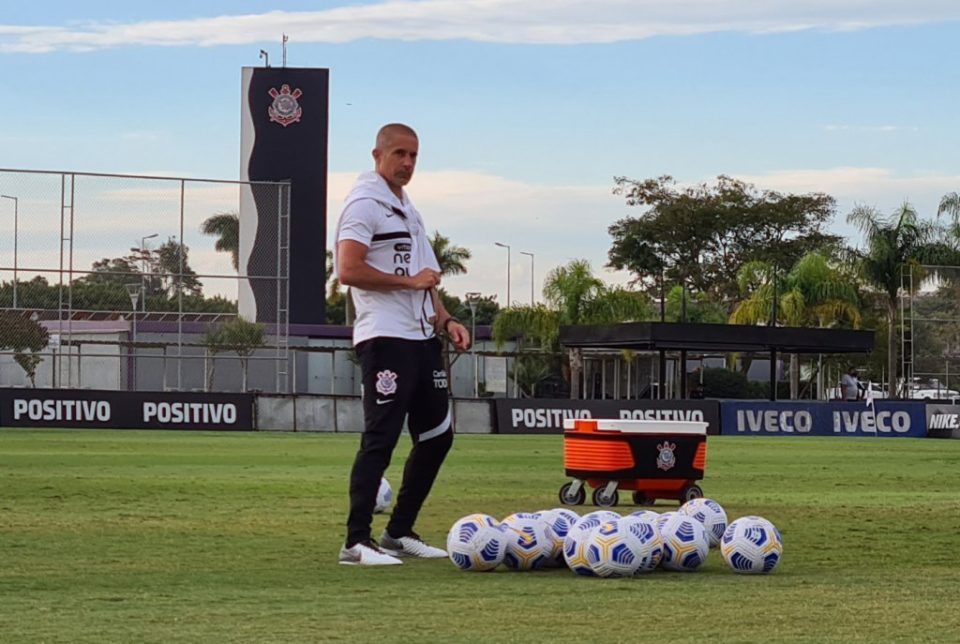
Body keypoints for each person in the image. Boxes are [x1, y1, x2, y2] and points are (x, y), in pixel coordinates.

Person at [335, 123, 471, 566]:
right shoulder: (363, 204)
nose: (408, 163)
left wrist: (445, 317)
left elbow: (427, 278)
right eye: (399, 154)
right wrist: (408, 281)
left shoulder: (409, 210)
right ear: (377, 155)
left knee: (437, 436)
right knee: (382, 438)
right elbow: (348, 270)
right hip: (384, 338)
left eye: (414, 155)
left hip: (420, 338)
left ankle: (397, 532)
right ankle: (356, 542)